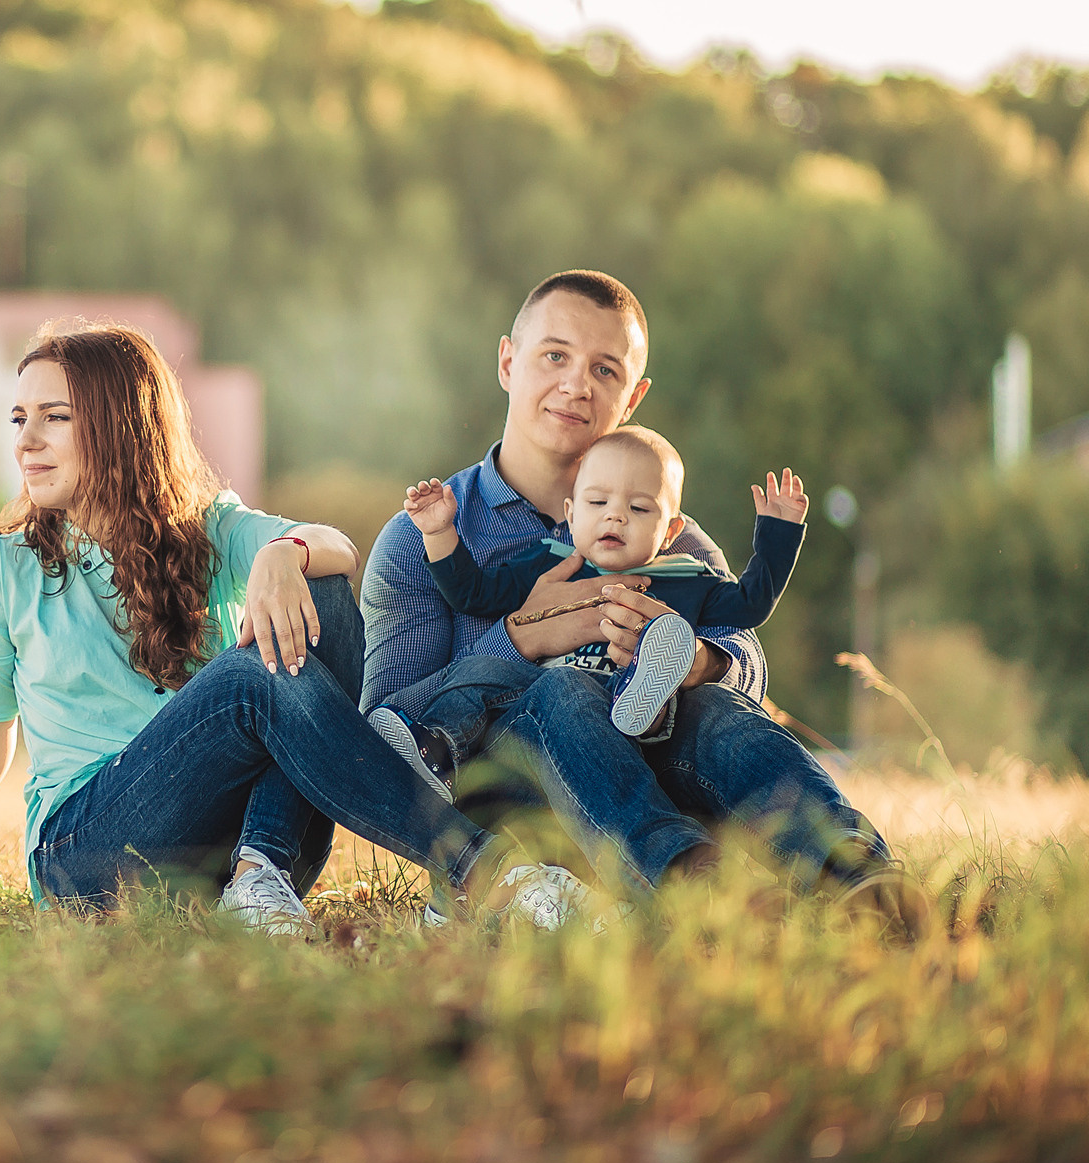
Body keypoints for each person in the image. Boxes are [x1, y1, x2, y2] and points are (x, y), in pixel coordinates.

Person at [0, 322, 592, 934]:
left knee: (321, 593)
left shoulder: (210, 530)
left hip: (226, 851)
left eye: (55, 418)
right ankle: (480, 870)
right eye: (19, 419)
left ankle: (261, 869)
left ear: (119, 426)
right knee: (252, 679)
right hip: (89, 855)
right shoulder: (0, 568)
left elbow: (337, 547)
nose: (27, 442)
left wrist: (285, 554)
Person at [361, 271, 924, 935]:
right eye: (555, 356)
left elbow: (746, 657)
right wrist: (521, 639)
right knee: (563, 692)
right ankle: (687, 879)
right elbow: (384, 738)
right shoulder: (427, 536)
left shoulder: (668, 537)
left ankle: (856, 876)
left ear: (632, 396)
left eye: (605, 369)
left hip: (653, 765)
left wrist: (699, 662)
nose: (577, 384)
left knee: (715, 706)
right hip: (517, 806)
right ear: (508, 360)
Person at [407, 424, 808, 737]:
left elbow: (750, 605)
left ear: (670, 532)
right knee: (490, 677)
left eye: (638, 508)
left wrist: (778, 533)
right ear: (572, 512)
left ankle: (641, 696)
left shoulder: (686, 578)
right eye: (597, 502)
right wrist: (440, 533)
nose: (615, 516)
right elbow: (471, 593)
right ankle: (436, 740)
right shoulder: (550, 565)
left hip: (635, 732)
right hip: (544, 718)